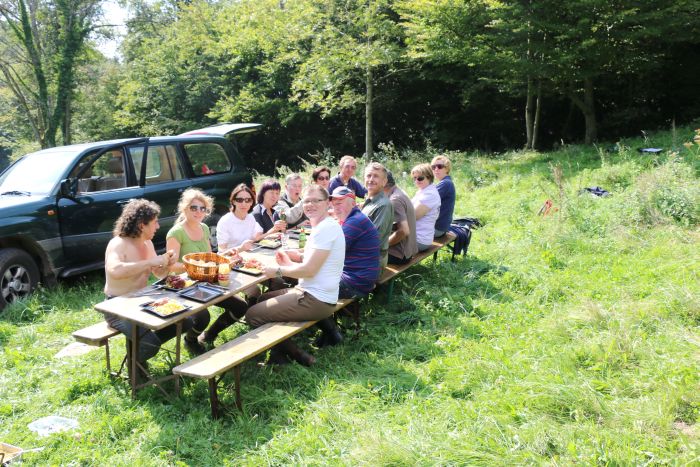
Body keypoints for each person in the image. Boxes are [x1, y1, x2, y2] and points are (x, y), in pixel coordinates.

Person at [245, 185, 345, 366]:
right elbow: (311, 264)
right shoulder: (323, 225)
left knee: (252, 315)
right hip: (315, 293)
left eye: (316, 200)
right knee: (262, 299)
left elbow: (309, 270)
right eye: (306, 201)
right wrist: (289, 261)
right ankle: (278, 355)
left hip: (315, 299)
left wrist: (277, 271)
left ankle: (297, 354)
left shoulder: (325, 229)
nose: (311, 205)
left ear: (327, 203)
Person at [166, 188, 248, 353]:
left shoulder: (203, 228)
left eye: (202, 208)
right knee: (203, 317)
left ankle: (209, 335)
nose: (198, 212)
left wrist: (226, 257)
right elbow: (171, 267)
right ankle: (191, 339)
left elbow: (210, 256)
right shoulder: (176, 233)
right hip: (186, 285)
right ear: (185, 208)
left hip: (208, 280)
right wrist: (194, 266)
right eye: (194, 208)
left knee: (241, 307)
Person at [103, 199, 180, 373]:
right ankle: (136, 362)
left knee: (187, 320)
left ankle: (140, 350)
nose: (158, 226)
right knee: (151, 344)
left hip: (141, 302)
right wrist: (150, 262)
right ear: (141, 224)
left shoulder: (147, 243)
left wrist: (167, 264)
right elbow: (115, 270)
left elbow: (158, 273)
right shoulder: (118, 243)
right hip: (116, 307)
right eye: (154, 222)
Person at [361, 162, 393, 268]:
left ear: (384, 182)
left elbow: (375, 239)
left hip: (371, 262)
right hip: (363, 255)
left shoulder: (384, 205)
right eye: (368, 175)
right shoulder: (370, 201)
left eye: (376, 176)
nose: (371, 179)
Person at [217, 184, 264, 253]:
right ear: (233, 201)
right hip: (230, 260)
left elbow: (257, 236)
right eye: (239, 200)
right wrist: (241, 248)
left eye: (248, 200)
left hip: (248, 256)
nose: (244, 203)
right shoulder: (225, 221)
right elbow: (222, 251)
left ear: (251, 202)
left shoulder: (251, 218)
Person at [384, 170, 418, 265]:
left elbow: (404, 231)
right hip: (407, 250)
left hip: (399, 254)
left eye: (375, 178)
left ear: (384, 182)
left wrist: (383, 246)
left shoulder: (394, 200)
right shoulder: (398, 191)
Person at [411, 163, 441, 251]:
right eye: (414, 178)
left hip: (419, 240)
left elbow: (413, 216)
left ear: (429, 177)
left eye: (420, 178)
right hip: (418, 236)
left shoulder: (429, 195)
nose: (417, 181)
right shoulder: (423, 190)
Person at [431, 155, 456, 237]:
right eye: (433, 167)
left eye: (440, 166)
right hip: (441, 227)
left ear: (447, 169)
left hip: (437, 229)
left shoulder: (445, 183)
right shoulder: (445, 182)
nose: (436, 169)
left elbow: (427, 201)